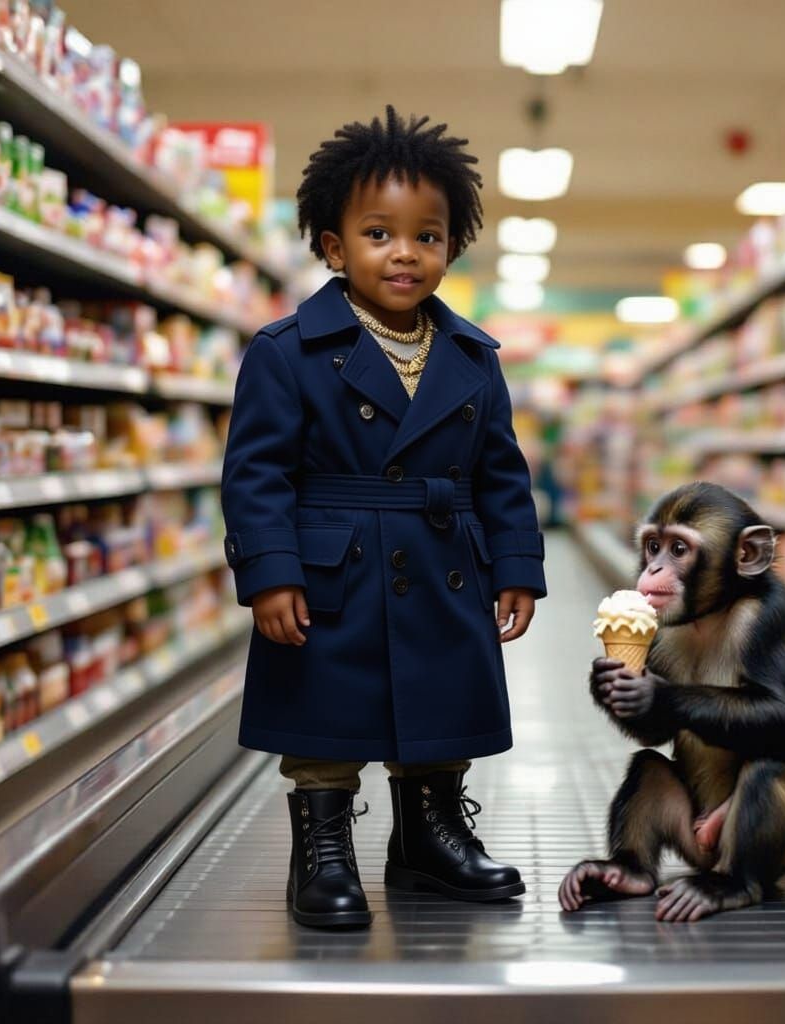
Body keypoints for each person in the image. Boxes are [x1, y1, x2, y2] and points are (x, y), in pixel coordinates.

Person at [221, 107, 546, 929]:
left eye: (427, 236)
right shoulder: (286, 350)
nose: (405, 253)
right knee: (328, 726)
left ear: (451, 245)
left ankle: (428, 838)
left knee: (441, 713)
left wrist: (515, 566)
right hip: (335, 566)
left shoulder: (472, 357)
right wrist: (271, 571)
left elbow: (502, 471)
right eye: (378, 233)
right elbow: (255, 474)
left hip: (444, 555)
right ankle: (323, 851)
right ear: (334, 247)